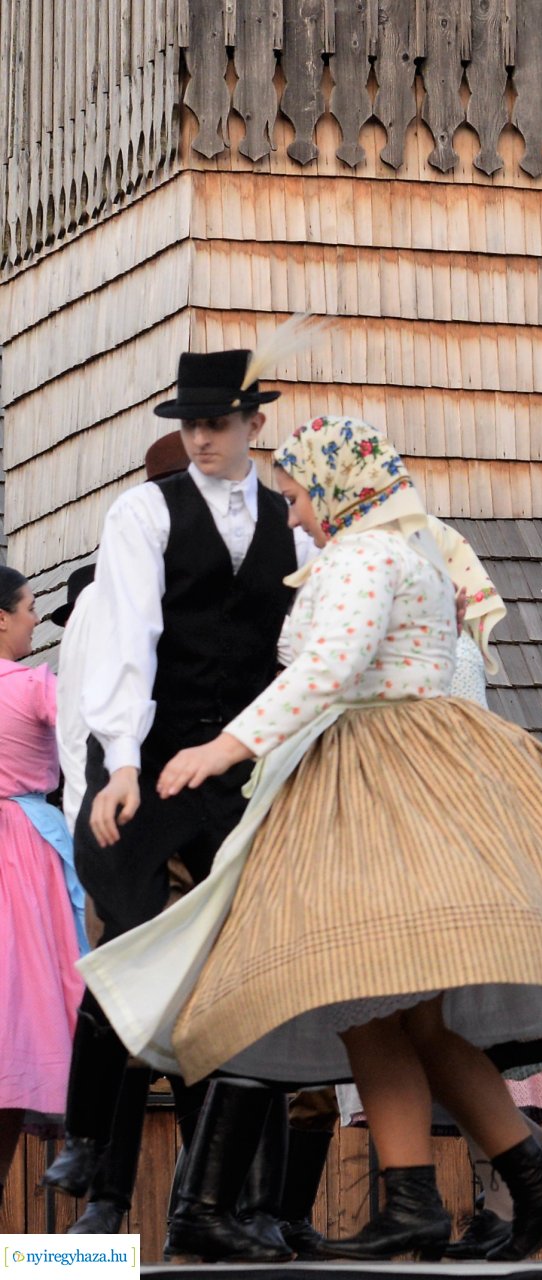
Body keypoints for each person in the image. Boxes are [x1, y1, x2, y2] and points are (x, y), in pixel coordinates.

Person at [77, 414, 542, 1262]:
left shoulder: (363, 558)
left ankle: (417, 1196)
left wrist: (224, 747)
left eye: (301, 497)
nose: (293, 516)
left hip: (380, 780)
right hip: (412, 774)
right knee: (412, 1018)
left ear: (339, 492)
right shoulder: (408, 552)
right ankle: (529, 1175)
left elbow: (327, 671)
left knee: (364, 996)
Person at [57, 350, 311, 1263]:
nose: (199, 438)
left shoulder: (293, 524)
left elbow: (301, 652)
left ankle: (226, 1208)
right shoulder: (143, 512)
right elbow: (129, 636)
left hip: (240, 769)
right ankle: (91, 1155)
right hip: (151, 761)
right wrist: (118, 763)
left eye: (216, 424)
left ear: (253, 425)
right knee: (134, 948)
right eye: (189, 424)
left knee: (238, 983)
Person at [47, 432, 193, 1238]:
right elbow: (84, 728)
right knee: (133, 1001)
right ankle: (106, 1189)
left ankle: (152, 1200)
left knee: (186, 1012)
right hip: (127, 817)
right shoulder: (114, 600)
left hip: (166, 814)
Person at [0, 568, 85, 1181]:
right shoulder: (33, 687)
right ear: (1, 617)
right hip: (24, 857)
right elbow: (94, 733)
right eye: (30, 606)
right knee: (25, 1008)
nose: (36, 617)